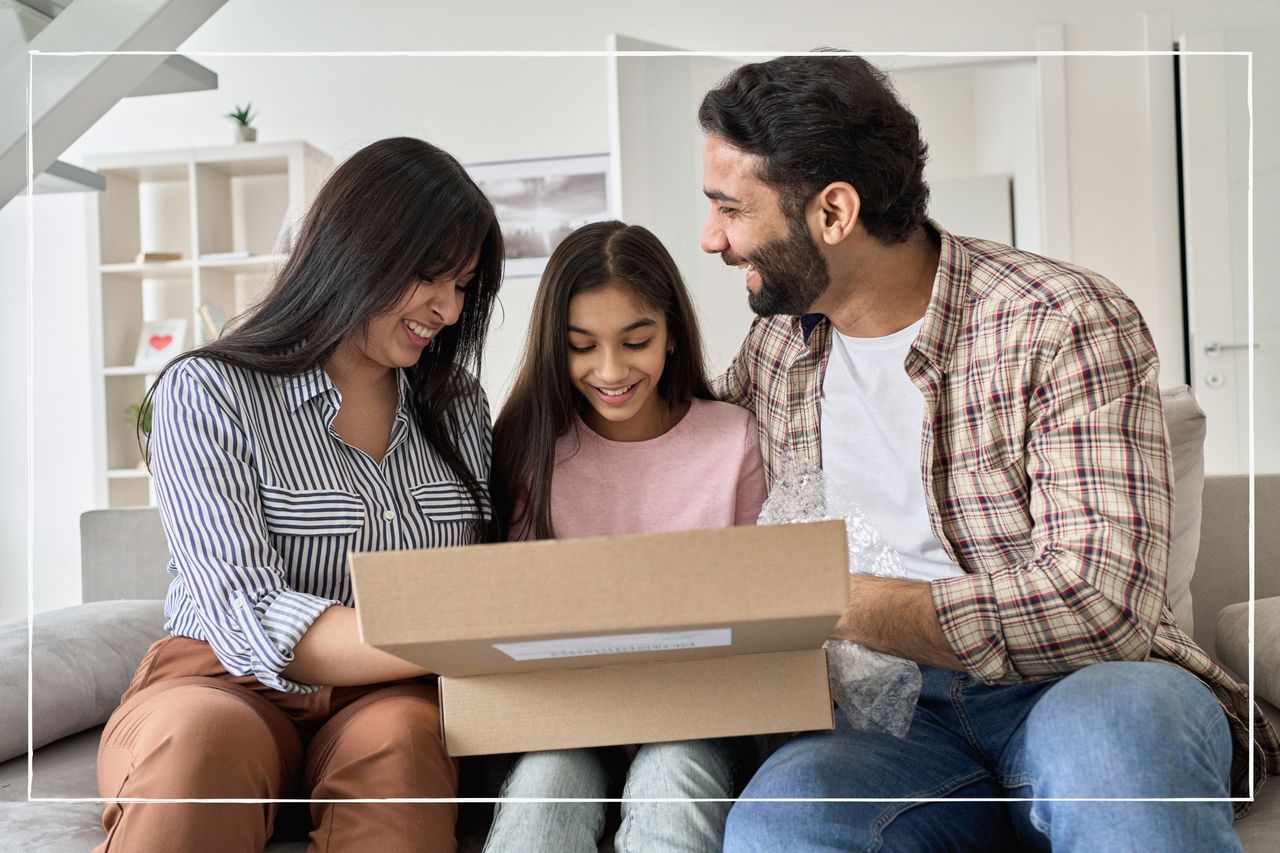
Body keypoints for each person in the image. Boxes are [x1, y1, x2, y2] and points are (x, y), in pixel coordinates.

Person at [695, 54, 1280, 852]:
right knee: (777, 824)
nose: (711, 238)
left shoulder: (1059, 320)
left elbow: (1097, 604)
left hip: (1082, 687)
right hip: (892, 721)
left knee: (1113, 756)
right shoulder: (776, 346)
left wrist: (836, 600)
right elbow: (670, 443)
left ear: (834, 212)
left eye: (730, 208)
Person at [94, 136, 504, 853]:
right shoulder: (209, 391)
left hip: (389, 694)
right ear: (356, 249)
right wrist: (446, 633)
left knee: (405, 744)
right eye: (429, 276)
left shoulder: (459, 403)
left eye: (463, 284)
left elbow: (488, 569)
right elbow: (243, 610)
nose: (446, 307)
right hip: (224, 679)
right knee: (201, 741)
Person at [485, 220, 767, 853]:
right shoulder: (532, 450)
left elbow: (764, 608)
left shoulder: (733, 439)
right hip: (569, 716)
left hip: (701, 711)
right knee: (545, 787)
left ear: (670, 336)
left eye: (635, 340)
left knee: (675, 772)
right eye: (580, 346)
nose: (609, 371)